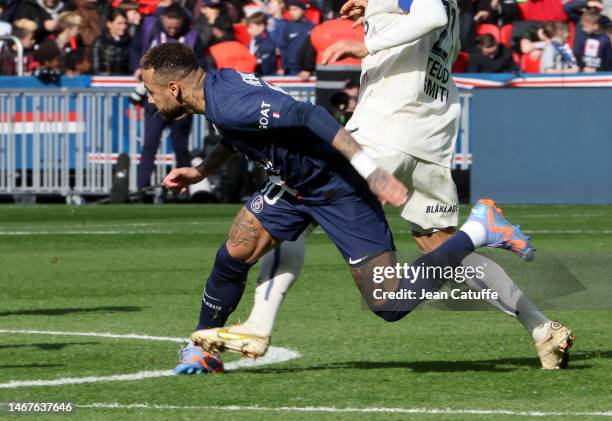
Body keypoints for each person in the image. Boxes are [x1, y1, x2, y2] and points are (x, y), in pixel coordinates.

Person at [193, 0, 574, 371]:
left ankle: (259, 325)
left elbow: (430, 14)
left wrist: (366, 43)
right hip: (431, 135)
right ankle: (540, 326)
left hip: (383, 129)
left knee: (294, 204)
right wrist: (377, 10)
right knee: (444, 247)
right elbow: (433, 24)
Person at [131, 3, 206, 192]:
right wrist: (137, 68)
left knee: (181, 148)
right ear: (162, 19)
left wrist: (189, 104)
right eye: (169, 26)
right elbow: (134, 50)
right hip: (155, 100)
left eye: (176, 26)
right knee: (150, 145)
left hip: (181, 101)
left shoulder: (192, 37)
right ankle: (142, 189)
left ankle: (183, 190)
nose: (172, 30)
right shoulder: (149, 29)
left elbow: (201, 69)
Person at [91, 9, 132, 75]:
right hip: (104, 82)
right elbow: (96, 68)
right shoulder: (99, 43)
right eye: (119, 23)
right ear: (109, 24)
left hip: (126, 80)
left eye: (125, 23)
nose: (123, 27)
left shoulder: (130, 42)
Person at [278, 0, 314, 75]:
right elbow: (283, 48)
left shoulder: (312, 27)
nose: (292, 12)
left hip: (308, 70)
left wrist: (309, 68)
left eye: (295, 9)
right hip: (291, 69)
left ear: (303, 10)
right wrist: (282, 67)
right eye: (290, 9)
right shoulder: (287, 26)